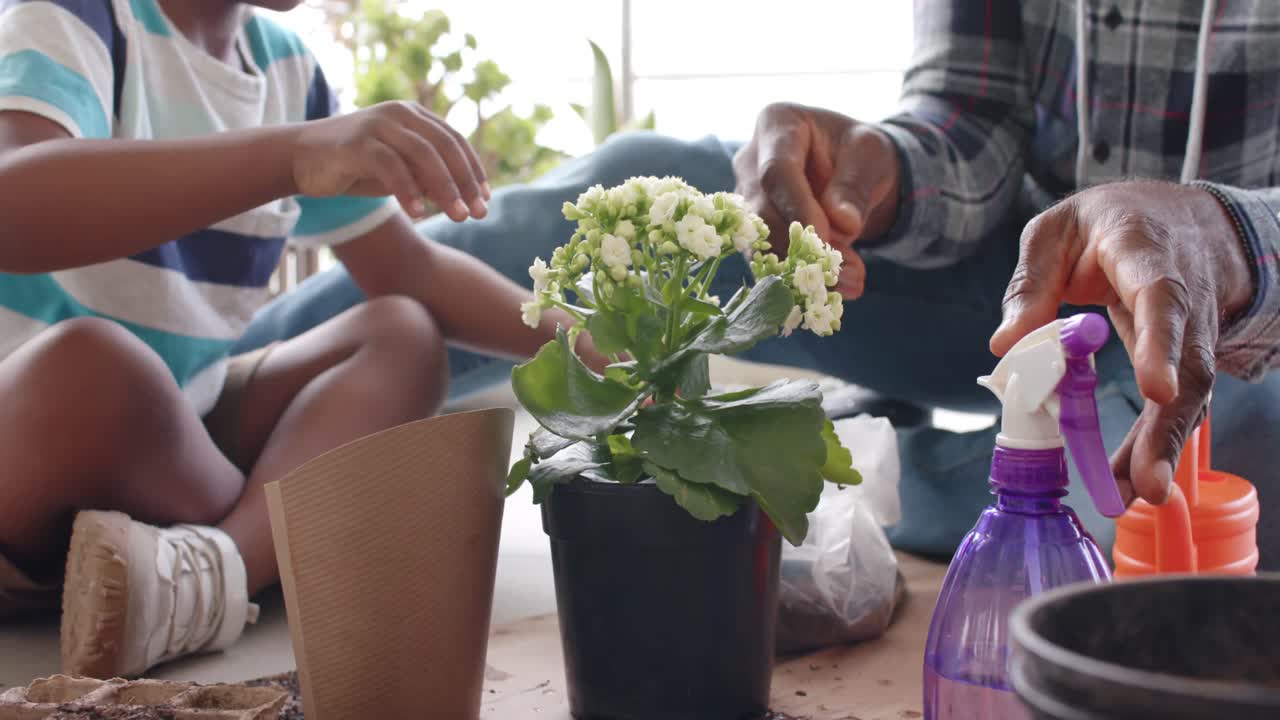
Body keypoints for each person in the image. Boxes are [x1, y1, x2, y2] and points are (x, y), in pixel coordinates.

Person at [247, 0, 1280, 568]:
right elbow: (971, 111)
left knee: (1214, 474)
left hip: (1240, 327)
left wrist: (1224, 236)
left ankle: (866, 464)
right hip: (1022, 277)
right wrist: (881, 169)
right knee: (644, 185)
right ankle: (223, 407)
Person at [0, 0, 604, 678]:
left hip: (179, 439)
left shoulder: (287, 68)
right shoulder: (78, 19)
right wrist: (292, 155)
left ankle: (208, 577)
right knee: (96, 365)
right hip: (35, 442)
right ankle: (260, 535)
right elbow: (13, 208)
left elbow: (410, 268)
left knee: (401, 334)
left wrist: (594, 353)